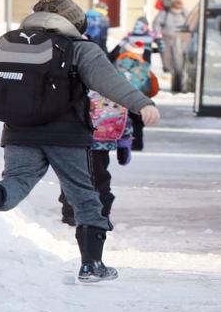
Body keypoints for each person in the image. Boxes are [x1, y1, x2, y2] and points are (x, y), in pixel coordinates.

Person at [0, 0, 162, 283]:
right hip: (67, 135)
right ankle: (92, 265)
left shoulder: (15, 46)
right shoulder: (80, 48)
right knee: (84, 196)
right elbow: (109, 82)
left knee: (17, 182)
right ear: (73, 22)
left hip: (19, 131)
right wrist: (142, 104)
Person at [59, 42, 158, 226]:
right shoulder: (112, 86)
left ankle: (70, 212)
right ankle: (102, 214)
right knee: (100, 178)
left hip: (75, 142)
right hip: (101, 144)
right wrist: (125, 143)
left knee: (73, 178)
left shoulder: (72, 84)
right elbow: (121, 115)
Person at [153, 0, 193, 92]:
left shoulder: (184, 12)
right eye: (175, 7)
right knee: (168, 59)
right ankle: (172, 75)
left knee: (179, 61)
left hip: (182, 39)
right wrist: (158, 34)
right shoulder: (165, 13)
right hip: (167, 38)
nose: (177, 9)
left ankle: (178, 79)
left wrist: (189, 34)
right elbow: (156, 23)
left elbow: (190, 23)